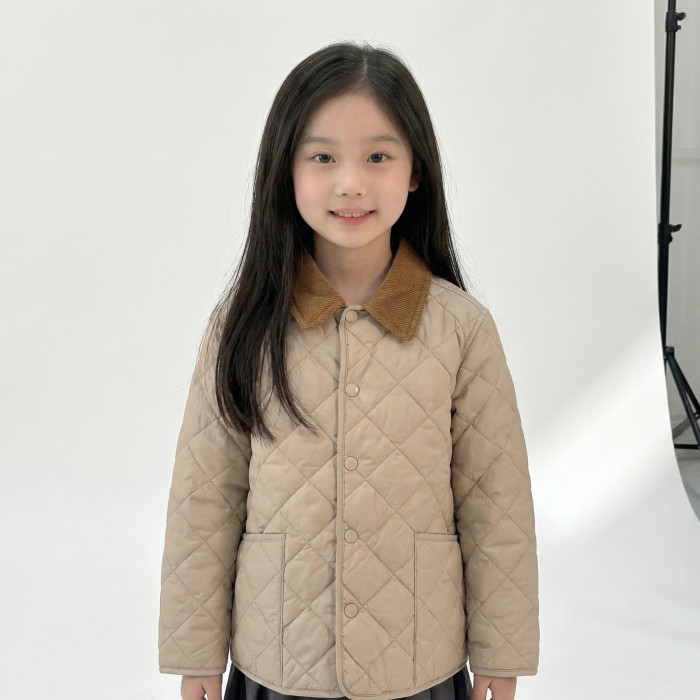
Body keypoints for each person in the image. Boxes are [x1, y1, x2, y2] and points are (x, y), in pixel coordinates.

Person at [158, 40, 539, 700]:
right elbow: (204, 502)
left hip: (417, 662)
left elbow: (496, 506)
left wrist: (501, 660)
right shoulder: (243, 325)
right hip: (279, 660)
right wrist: (196, 659)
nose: (352, 183)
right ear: (286, 170)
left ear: (416, 171)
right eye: (323, 157)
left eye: (378, 157)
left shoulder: (462, 330)